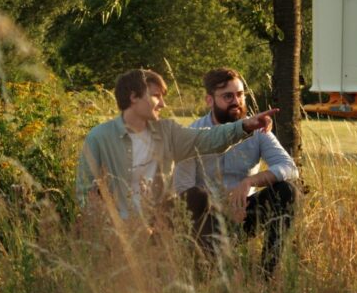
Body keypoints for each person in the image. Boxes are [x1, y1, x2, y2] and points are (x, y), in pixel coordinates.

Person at [77, 68, 279, 220]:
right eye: (156, 96)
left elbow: (207, 139)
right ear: (134, 97)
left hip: (161, 223)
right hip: (119, 228)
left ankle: (211, 270)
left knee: (197, 197)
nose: (163, 104)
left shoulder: (168, 132)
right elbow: (86, 194)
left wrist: (244, 126)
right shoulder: (99, 138)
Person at [173, 68, 298, 273]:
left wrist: (249, 182)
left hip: (243, 211)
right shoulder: (193, 134)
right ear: (210, 100)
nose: (236, 101)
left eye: (240, 94)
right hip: (206, 220)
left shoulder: (257, 129)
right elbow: (183, 189)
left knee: (288, 190)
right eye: (227, 96)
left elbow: (289, 167)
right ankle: (203, 267)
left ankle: (268, 274)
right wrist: (221, 209)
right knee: (193, 196)